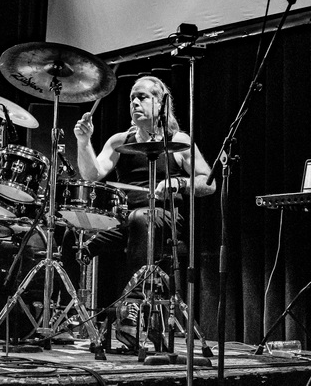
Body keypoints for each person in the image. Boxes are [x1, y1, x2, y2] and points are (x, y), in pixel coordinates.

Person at [72, 75, 216, 348]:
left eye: (142, 97)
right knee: (75, 232)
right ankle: (77, 318)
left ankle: (134, 307)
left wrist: (179, 183)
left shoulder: (178, 141)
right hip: (124, 219)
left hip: (164, 218)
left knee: (141, 219)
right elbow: (92, 174)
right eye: (132, 98)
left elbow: (208, 183)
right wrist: (83, 141)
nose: (135, 102)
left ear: (160, 104)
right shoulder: (119, 141)